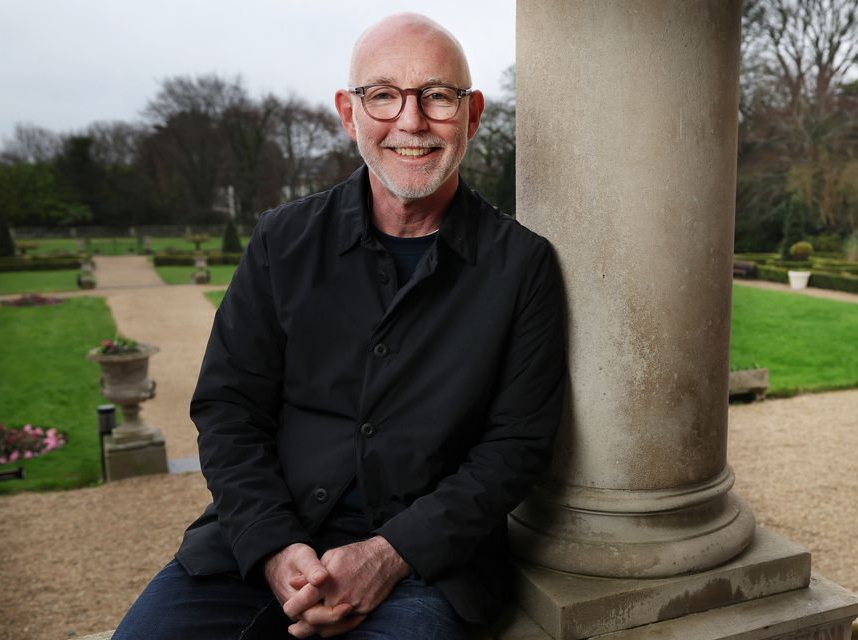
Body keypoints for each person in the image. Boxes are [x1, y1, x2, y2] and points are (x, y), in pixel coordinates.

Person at [113, 12, 565, 640]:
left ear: (473, 114)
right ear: (349, 113)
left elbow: (514, 450)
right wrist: (274, 548)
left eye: (438, 95)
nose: (411, 121)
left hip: (424, 567)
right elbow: (228, 408)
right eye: (383, 95)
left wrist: (386, 555)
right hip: (258, 542)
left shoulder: (523, 266)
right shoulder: (281, 240)